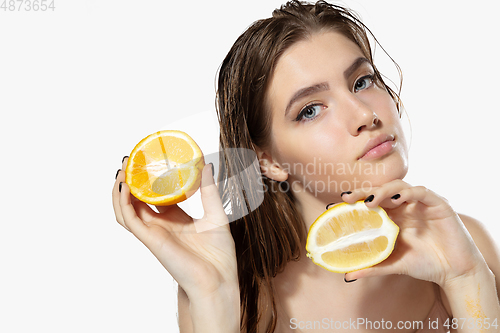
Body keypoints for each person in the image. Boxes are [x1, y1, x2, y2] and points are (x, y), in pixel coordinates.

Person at [112, 1, 500, 332]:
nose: (364, 114)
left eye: (362, 81)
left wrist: (466, 280)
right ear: (267, 160)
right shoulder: (243, 294)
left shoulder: (465, 246)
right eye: (310, 110)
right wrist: (215, 303)